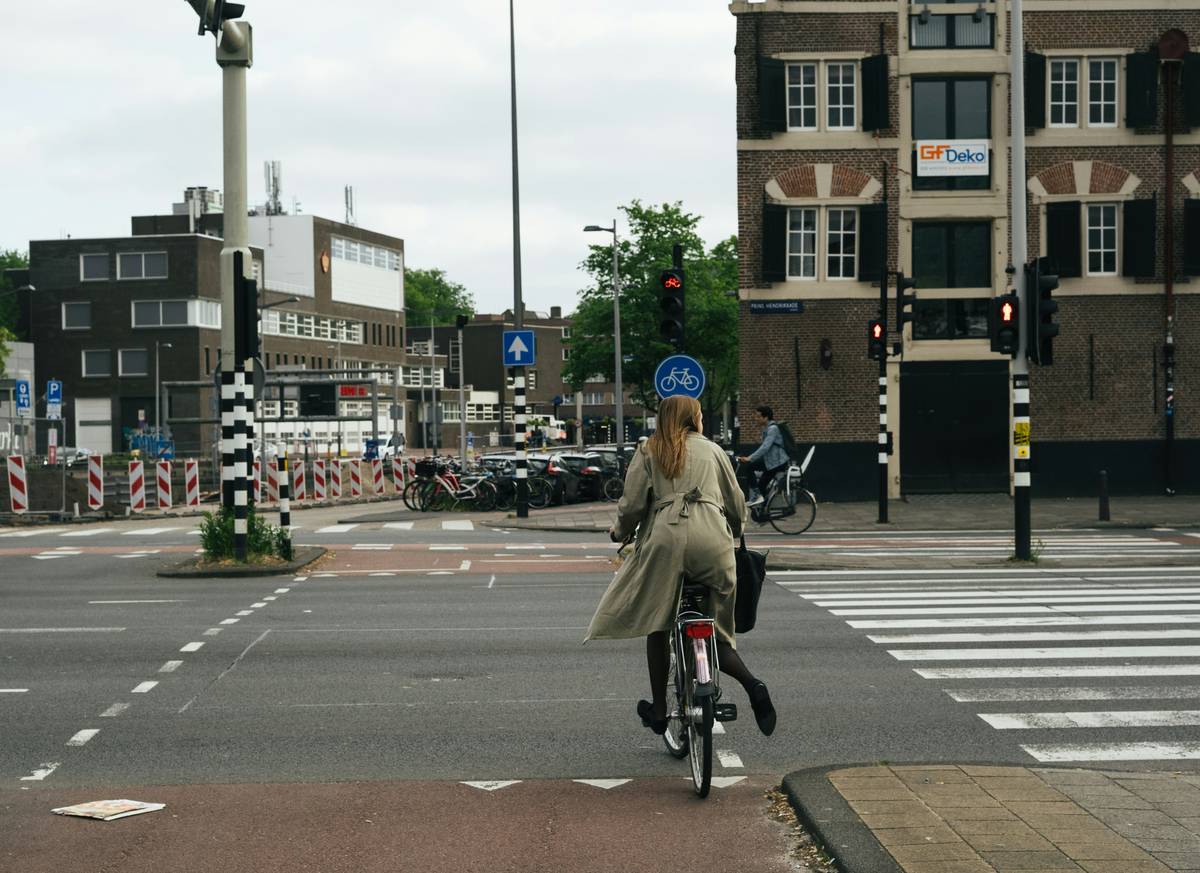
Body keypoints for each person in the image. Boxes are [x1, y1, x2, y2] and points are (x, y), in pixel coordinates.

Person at [585, 395, 777, 737]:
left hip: (665, 541)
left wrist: (619, 532)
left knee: (657, 624)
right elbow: (736, 504)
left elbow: (631, 506)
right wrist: (733, 530)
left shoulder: (649, 450)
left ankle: (660, 713)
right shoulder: (713, 451)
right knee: (717, 630)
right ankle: (754, 685)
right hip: (712, 541)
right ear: (694, 418)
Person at [737, 406, 790, 508]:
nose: (756, 419)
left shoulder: (773, 429)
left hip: (777, 463)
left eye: (758, 416)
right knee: (761, 487)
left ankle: (759, 502)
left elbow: (765, 447)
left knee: (749, 467)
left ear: (766, 418)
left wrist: (750, 458)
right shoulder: (768, 429)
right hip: (772, 462)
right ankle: (763, 512)